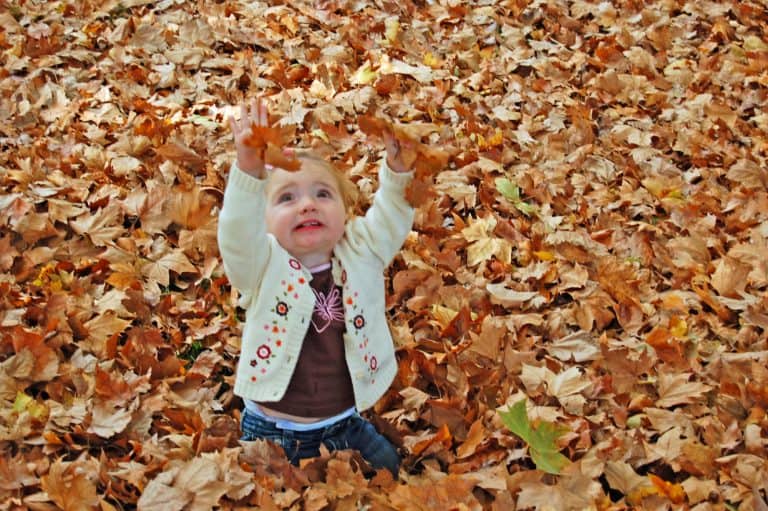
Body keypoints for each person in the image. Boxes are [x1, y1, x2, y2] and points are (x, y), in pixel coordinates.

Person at [217, 98, 414, 477]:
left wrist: (398, 174)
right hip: (271, 434)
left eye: (323, 194)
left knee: (391, 470)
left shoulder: (362, 249)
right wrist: (248, 172)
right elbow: (238, 235)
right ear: (265, 218)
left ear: (345, 209)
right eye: (286, 198)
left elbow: (391, 216)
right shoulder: (262, 263)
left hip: (344, 425)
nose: (307, 204)